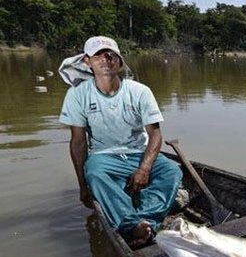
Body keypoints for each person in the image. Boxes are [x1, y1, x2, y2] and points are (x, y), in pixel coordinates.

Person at [59, 36, 182, 246]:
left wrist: (144, 169)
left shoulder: (140, 91)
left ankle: (145, 221)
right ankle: (131, 222)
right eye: (98, 55)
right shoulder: (77, 94)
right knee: (95, 174)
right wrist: (83, 184)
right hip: (104, 156)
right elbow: (78, 142)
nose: (105, 59)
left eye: (111, 55)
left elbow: (155, 135)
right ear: (87, 62)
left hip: (138, 152)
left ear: (120, 61)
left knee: (172, 171)